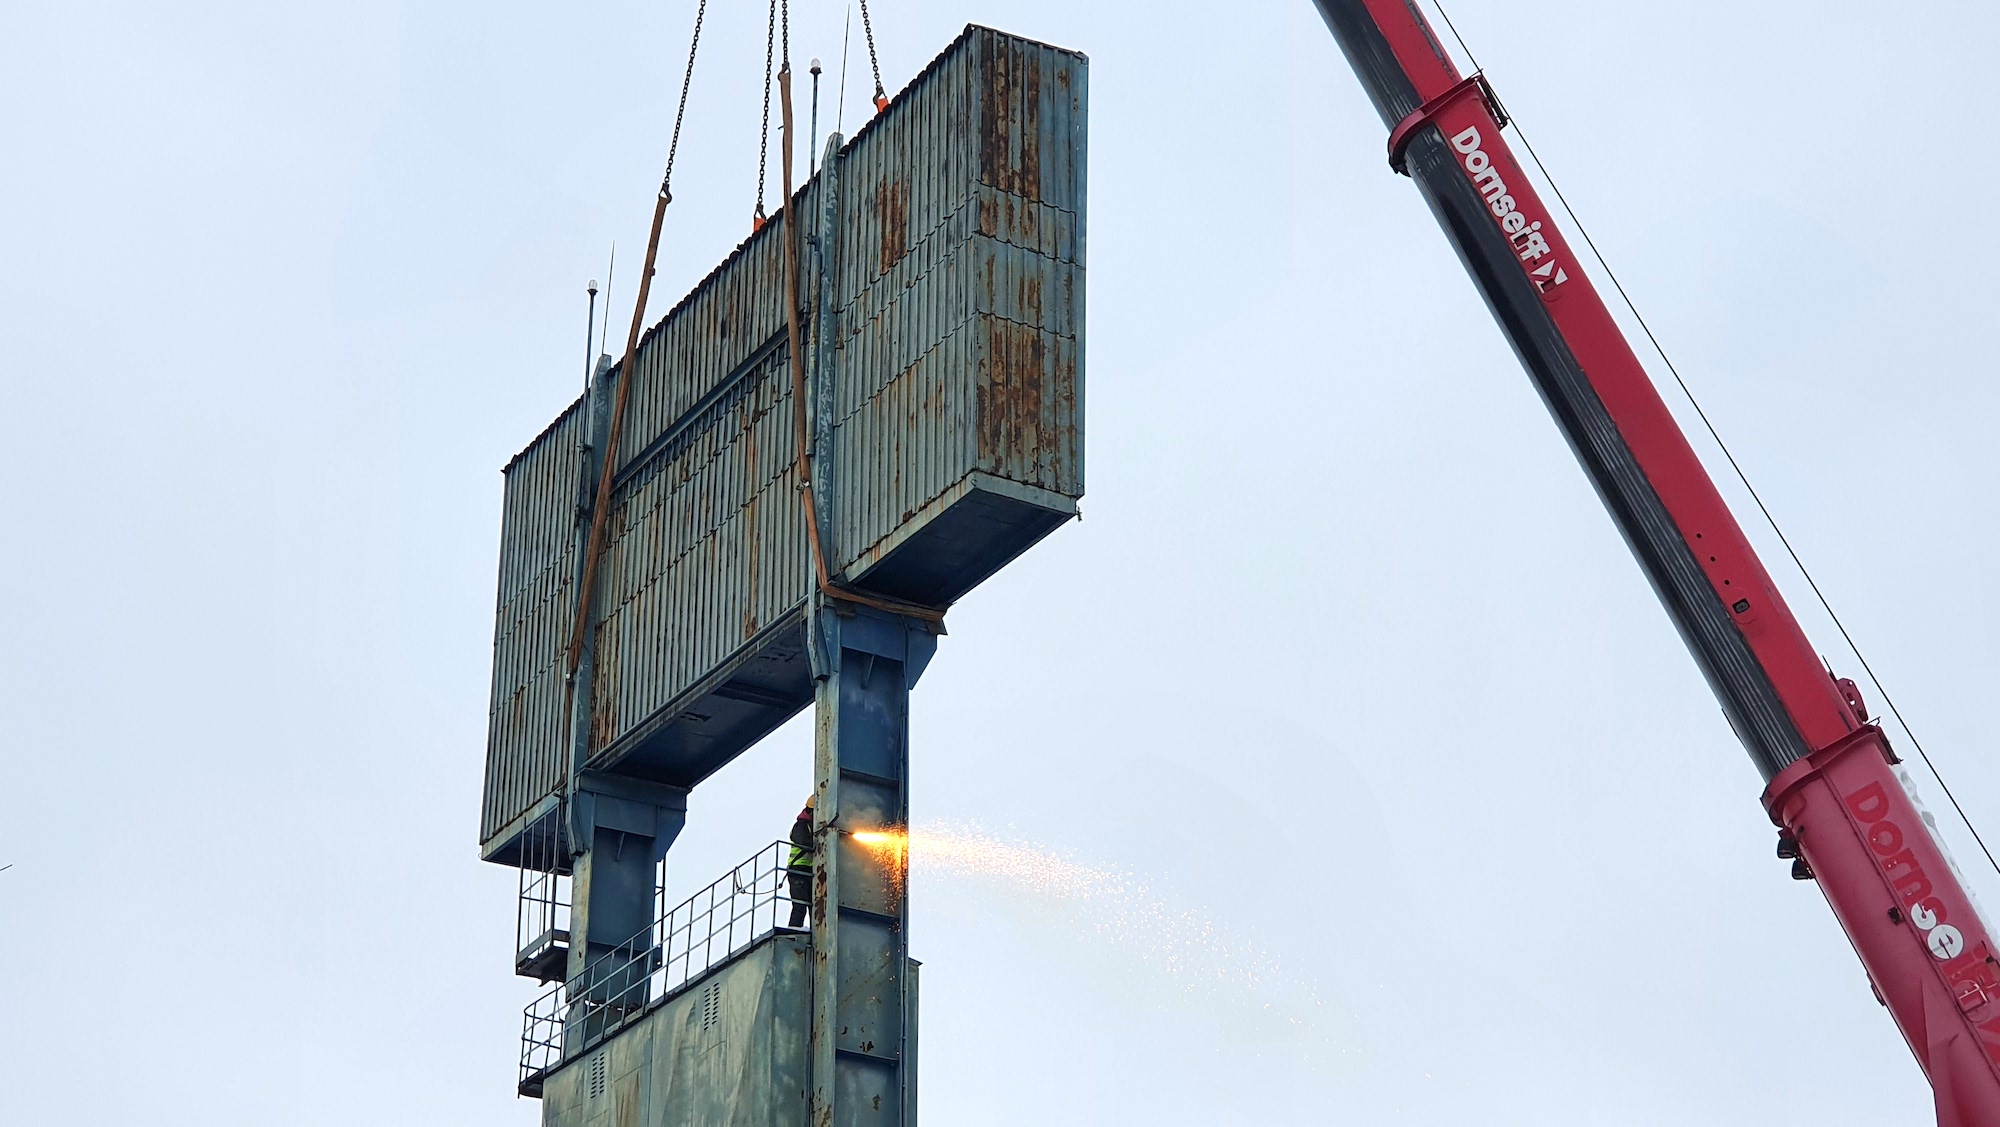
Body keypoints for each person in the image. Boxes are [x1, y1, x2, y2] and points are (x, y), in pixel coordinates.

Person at [786, 795, 815, 928]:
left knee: (813, 906)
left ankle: (812, 932)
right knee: (800, 906)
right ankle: (793, 933)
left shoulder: (811, 826)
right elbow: (804, 842)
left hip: (808, 871)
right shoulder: (801, 825)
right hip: (798, 870)